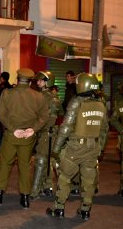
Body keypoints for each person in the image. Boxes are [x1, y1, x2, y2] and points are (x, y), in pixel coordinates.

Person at [47, 73, 108, 220]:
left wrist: (56, 149)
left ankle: (59, 208)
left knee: (65, 177)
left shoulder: (76, 101)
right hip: (92, 147)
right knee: (88, 178)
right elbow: (104, 128)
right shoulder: (101, 103)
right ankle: (85, 209)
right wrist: (101, 148)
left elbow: (66, 127)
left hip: (76, 147)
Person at [0, 68, 49, 209]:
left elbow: (1, 114)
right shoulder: (38, 96)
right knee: (24, 166)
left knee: (5, 164)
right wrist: (32, 130)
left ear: (17, 79)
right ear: (30, 82)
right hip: (28, 137)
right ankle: (24, 198)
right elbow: (44, 117)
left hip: (12, 135)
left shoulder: (7, 93)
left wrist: (13, 129)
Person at [30, 70, 61, 200]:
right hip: (39, 132)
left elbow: (52, 119)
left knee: (41, 159)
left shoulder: (53, 99)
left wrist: (37, 127)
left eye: (41, 80)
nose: (38, 82)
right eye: (37, 80)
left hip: (48, 133)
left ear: (48, 82)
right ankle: (47, 186)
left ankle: (35, 190)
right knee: (47, 160)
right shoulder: (38, 96)